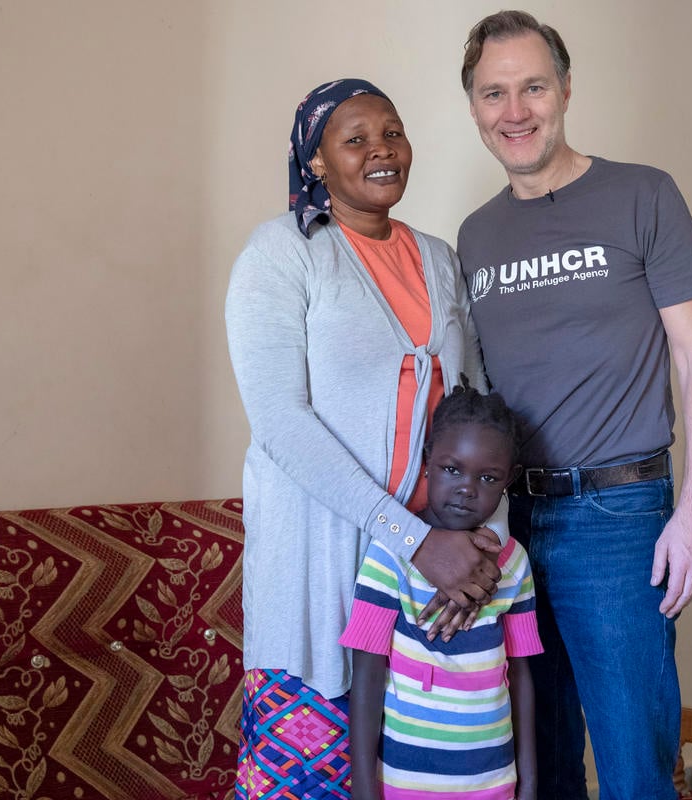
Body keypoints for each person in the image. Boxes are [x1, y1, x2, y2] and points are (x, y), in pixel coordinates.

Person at [456, 12, 692, 800]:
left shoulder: (643, 195)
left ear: (566, 90)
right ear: (474, 109)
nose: (515, 110)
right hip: (510, 528)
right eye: (493, 93)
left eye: (533, 87)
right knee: (538, 771)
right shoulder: (475, 237)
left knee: (634, 771)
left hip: (620, 519)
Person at [226, 78, 507, 800]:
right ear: (316, 162)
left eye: (393, 132)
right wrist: (413, 539)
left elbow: (477, 410)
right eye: (355, 140)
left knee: (426, 775)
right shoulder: (281, 254)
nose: (381, 150)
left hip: (433, 574)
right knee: (311, 778)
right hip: (321, 565)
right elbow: (281, 422)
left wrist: (483, 545)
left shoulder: (439, 258)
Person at [342, 379, 543, 800]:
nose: (467, 488)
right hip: (407, 783)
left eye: (488, 478)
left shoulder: (513, 562)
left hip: (493, 781)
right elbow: (366, 672)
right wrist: (363, 788)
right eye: (453, 469)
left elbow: (521, 675)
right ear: (427, 462)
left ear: (510, 480)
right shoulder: (389, 557)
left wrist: (528, 780)